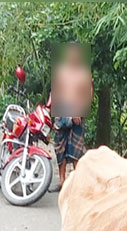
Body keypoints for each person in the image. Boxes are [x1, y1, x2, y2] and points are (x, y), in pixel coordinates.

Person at [49, 42, 92, 192]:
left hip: (77, 115)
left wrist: (78, 111)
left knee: (76, 151)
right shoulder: (61, 71)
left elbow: (88, 94)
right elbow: (55, 91)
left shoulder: (84, 73)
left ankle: (77, 184)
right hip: (61, 112)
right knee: (60, 148)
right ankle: (62, 181)